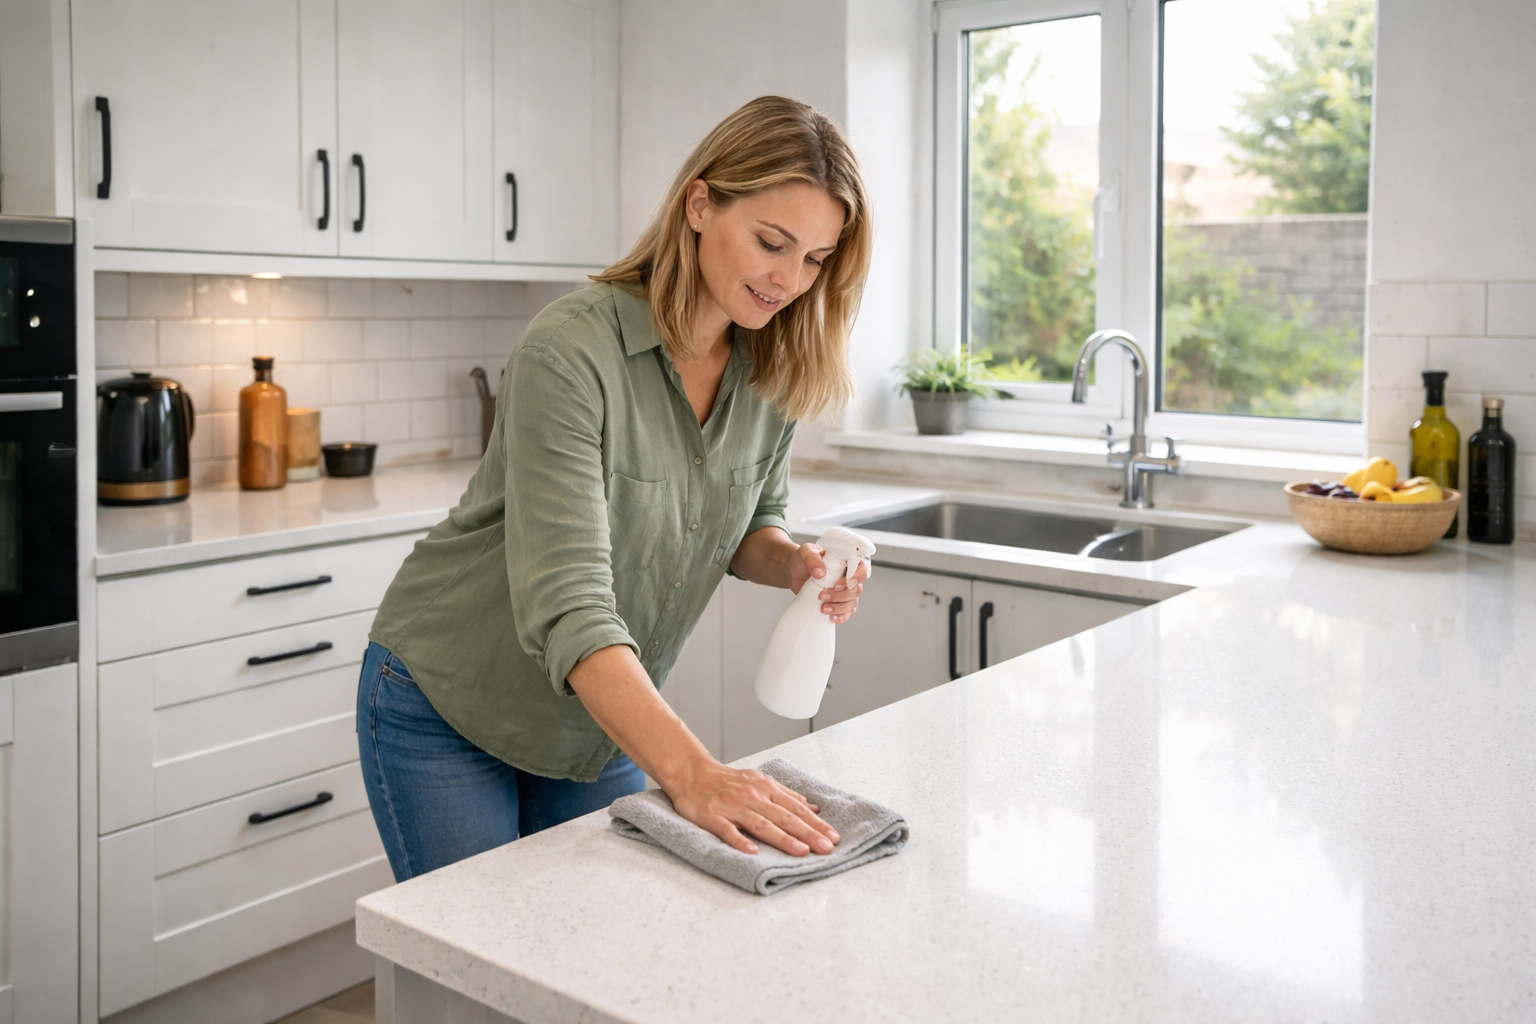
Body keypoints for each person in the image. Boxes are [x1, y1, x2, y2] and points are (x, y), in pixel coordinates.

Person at [358, 95, 874, 882]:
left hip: (591, 726)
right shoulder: (571, 351)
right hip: (451, 702)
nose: (789, 279)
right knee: (477, 978)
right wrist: (696, 773)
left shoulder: (770, 368)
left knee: (590, 962)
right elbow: (572, 603)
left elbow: (749, 523)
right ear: (700, 205)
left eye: (814, 258)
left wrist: (793, 565)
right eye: (772, 242)